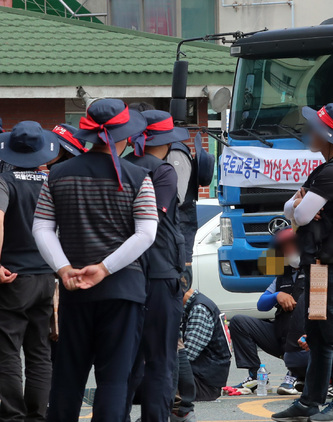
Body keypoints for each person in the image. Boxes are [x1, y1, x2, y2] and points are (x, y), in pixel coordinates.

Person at [32, 99, 156, 422]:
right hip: (123, 291)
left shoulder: (57, 175)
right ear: (125, 136)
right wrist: (103, 269)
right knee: (114, 381)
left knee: (67, 379)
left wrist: (64, 268)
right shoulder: (138, 177)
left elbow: (42, 228)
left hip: (74, 290)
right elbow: (146, 234)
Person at [273, 103, 333, 422]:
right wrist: (299, 204)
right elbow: (292, 209)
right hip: (321, 267)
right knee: (318, 333)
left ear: (327, 134)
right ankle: (310, 401)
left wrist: (300, 203)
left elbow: (297, 213)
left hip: (332, 267)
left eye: (314, 127)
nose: (308, 132)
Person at [124, 110, 189, 421]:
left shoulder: (121, 166)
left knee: (126, 359)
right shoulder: (163, 172)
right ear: (166, 141)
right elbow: (156, 220)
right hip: (160, 274)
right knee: (161, 359)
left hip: (125, 274)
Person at [0, 121, 59, 422]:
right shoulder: (51, 181)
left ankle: (11, 416)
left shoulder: (4, 181)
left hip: (13, 277)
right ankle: (38, 415)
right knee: (39, 352)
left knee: (8, 351)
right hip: (46, 276)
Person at [229, 227, 309, 395]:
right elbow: (261, 304)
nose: (289, 250)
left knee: (299, 315)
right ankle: (255, 376)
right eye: (285, 247)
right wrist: (277, 296)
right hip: (280, 337)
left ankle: (296, 374)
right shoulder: (283, 275)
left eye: (292, 246)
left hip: (305, 340)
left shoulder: (313, 271)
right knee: (239, 322)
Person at [181, 288, 232, 401]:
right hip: (200, 377)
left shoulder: (199, 309)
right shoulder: (194, 304)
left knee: (153, 383)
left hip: (204, 384)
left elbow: (186, 355)